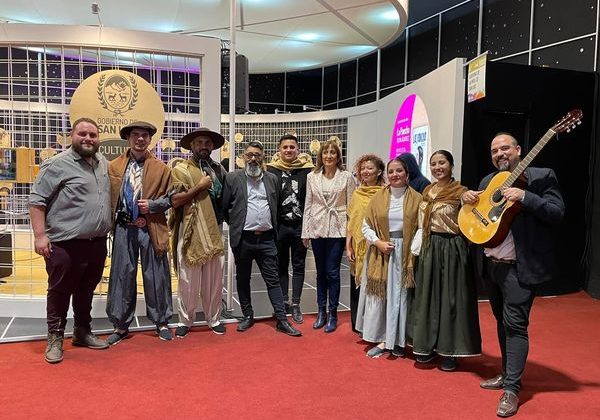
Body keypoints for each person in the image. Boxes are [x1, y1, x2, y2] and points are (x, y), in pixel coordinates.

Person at [462, 133, 565, 417]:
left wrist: (525, 196)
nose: (499, 153)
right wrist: (465, 198)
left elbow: (557, 213)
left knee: (515, 326)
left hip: (519, 268)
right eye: (494, 150)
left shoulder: (542, 175)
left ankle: (512, 389)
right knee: (501, 321)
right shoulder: (488, 181)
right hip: (492, 265)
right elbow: (477, 213)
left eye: (505, 147)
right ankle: (506, 374)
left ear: (519, 150)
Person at [29, 117, 112, 363]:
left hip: (96, 243)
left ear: (98, 139)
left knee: (86, 290)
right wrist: (40, 236)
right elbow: (36, 201)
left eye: (93, 135)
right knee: (60, 291)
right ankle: (54, 337)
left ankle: (82, 332)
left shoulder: (102, 163)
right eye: (82, 134)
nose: (88, 139)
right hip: (64, 244)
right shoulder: (56, 165)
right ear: (72, 136)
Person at [410, 150, 481, 371]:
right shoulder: (428, 191)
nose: (437, 167)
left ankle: (450, 351)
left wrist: (468, 199)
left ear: (451, 166)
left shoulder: (462, 192)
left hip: (451, 249)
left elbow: (473, 221)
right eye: (433, 164)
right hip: (429, 247)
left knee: (451, 299)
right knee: (427, 297)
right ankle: (426, 345)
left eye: (442, 163)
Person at [222, 141, 302, 337]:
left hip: (267, 239)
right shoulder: (233, 178)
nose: (253, 159)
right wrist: (237, 224)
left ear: (263, 157)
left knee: (273, 279)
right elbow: (225, 207)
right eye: (249, 155)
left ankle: (282, 319)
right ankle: (248, 315)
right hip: (243, 239)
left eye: (257, 155)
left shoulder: (272, 179)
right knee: (243, 278)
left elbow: (277, 207)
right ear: (243, 157)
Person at [106, 121, 174, 344]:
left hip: (151, 227)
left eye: (145, 135)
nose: (140, 139)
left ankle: (162, 321)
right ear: (128, 138)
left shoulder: (162, 168)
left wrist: (154, 205)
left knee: (156, 275)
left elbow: (173, 197)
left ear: (150, 139)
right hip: (124, 228)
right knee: (122, 275)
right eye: (136, 134)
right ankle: (120, 325)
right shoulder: (114, 166)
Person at [356, 157, 421, 357]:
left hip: (406, 253)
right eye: (391, 171)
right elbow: (365, 226)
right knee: (382, 297)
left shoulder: (417, 198)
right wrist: (378, 243)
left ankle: (400, 340)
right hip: (382, 252)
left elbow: (422, 226)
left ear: (407, 174)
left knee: (401, 298)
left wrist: (413, 250)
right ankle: (384, 339)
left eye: (399, 171)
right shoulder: (378, 198)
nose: (395, 175)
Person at [170, 127, 227, 338]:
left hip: (214, 232)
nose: (203, 146)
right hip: (190, 231)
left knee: (214, 279)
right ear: (192, 146)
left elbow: (226, 200)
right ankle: (185, 320)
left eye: (207, 143)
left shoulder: (219, 169)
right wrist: (199, 187)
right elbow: (175, 200)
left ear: (212, 146)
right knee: (188, 279)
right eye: (199, 142)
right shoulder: (181, 169)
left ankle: (214, 318)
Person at [302, 139, 355, 333]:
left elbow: (352, 207)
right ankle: (321, 312)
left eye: (333, 153)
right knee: (320, 272)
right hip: (317, 227)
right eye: (326, 153)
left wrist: (351, 234)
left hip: (337, 228)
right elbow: (308, 204)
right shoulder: (312, 177)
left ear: (338, 156)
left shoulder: (347, 176)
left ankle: (333, 313)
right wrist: (305, 231)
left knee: (332, 272)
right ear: (320, 156)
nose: (329, 156)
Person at [267, 134, 314, 324]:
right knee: (280, 266)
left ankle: (296, 304)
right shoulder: (271, 171)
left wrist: (309, 229)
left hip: (300, 227)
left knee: (299, 265)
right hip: (279, 227)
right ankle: (283, 303)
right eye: (285, 147)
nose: (288, 150)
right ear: (279, 150)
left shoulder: (307, 172)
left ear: (298, 149)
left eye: (292, 147)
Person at [346, 154, 385, 333]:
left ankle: (373, 325)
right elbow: (351, 220)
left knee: (374, 285)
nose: (365, 172)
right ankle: (357, 322)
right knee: (357, 284)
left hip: (377, 246)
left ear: (379, 171)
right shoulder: (357, 193)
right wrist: (348, 245)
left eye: (370, 168)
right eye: (363, 169)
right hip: (358, 246)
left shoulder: (385, 193)